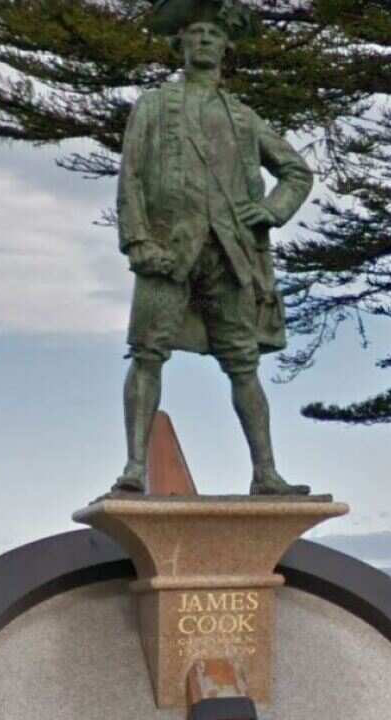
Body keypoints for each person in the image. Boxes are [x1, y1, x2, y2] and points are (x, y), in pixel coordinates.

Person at [112, 0, 314, 496]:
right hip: (168, 250)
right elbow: (131, 176)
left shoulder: (244, 118)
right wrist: (138, 240)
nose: (203, 40)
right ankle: (136, 467)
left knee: (244, 364)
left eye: (212, 34)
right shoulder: (154, 107)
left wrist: (270, 211)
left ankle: (265, 471)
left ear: (226, 47)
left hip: (230, 253)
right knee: (147, 354)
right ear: (180, 44)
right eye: (195, 33)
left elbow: (296, 171)